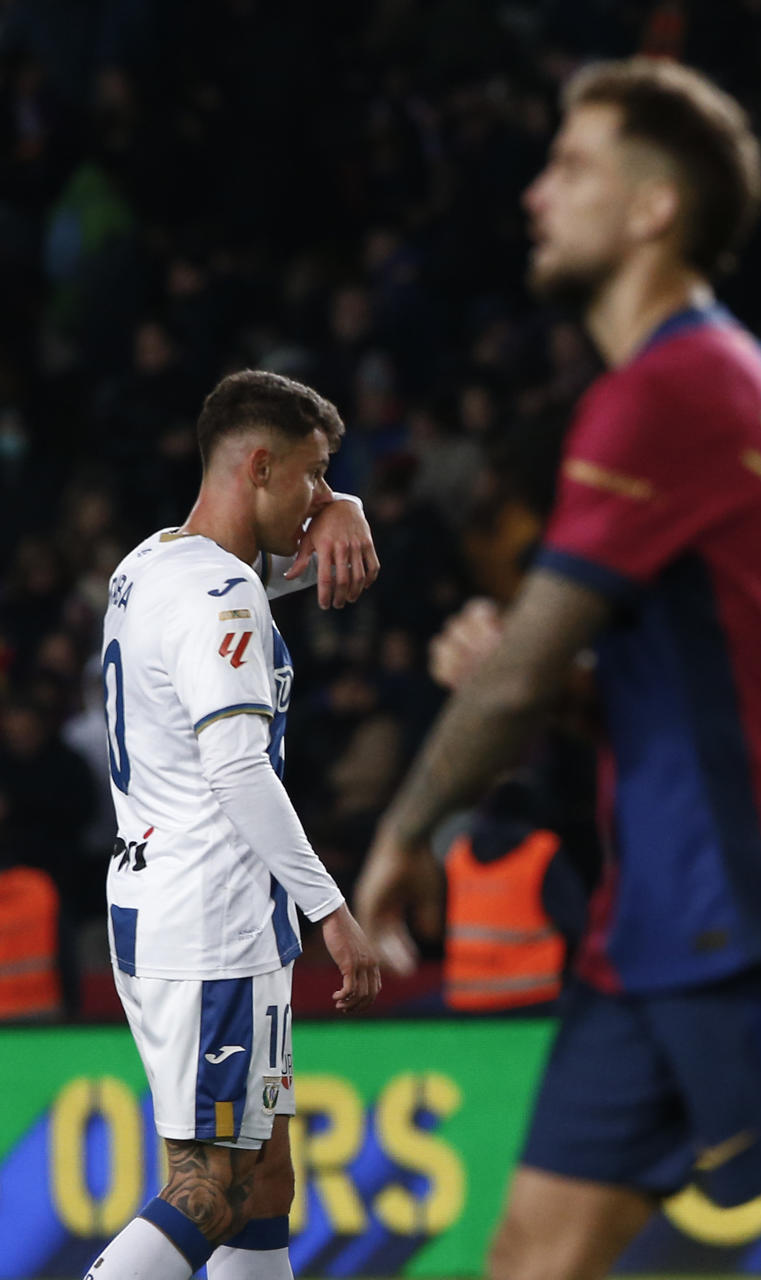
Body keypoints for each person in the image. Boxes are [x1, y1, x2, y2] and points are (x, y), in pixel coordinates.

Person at [352, 57, 761, 1280]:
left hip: (745, 910)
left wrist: (407, 830)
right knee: (530, 1258)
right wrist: (539, 678)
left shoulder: (668, 390)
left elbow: (517, 681)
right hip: (653, 920)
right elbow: (673, 669)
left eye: (572, 168)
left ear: (654, 207)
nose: (535, 195)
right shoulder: (737, 383)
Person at [85, 369, 384, 1280]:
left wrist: (347, 509)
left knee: (264, 1180)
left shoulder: (149, 567)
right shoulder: (223, 596)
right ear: (260, 465)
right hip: (213, 919)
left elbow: (266, 585)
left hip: (158, 899)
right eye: (312, 474)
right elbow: (236, 767)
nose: (318, 496)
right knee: (211, 1187)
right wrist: (330, 909)